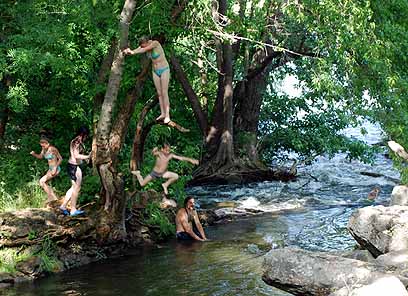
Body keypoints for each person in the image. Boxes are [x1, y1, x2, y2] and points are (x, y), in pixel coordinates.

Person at [123, 36, 171, 124]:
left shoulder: (155, 43)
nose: (143, 47)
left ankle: (167, 116)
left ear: (147, 42)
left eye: (143, 46)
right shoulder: (143, 46)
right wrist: (129, 51)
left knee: (164, 92)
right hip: (155, 71)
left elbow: (143, 50)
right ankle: (163, 113)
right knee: (159, 93)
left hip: (164, 69)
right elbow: (139, 49)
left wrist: (133, 52)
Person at [131, 143, 199, 206]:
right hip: (154, 173)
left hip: (163, 173)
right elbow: (153, 153)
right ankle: (138, 174)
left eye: (169, 150)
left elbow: (181, 158)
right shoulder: (159, 153)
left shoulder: (170, 155)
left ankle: (165, 185)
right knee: (142, 184)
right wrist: (154, 150)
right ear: (162, 149)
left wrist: (191, 160)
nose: (168, 152)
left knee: (176, 176)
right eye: (166, 150)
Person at [60, 127, 90, 216]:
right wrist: (88, 156)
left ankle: (63, 206)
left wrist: (85, 159)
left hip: (72, 166)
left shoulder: (76, 141)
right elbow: (76, 155)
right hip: (74, 167)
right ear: (83, 134)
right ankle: (73, 210)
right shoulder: (76, 141)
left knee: (73, 188)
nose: (86, 138)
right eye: (86, 136)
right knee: (76, 188)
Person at [30, 135, 62, 204]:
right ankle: (53, 197)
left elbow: (60, 159)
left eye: (43, 146)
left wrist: (55, 168)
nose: (42, 147)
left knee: (41, 181)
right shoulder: (44, 149)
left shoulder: (53, 149)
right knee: (45, 183)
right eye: (41, 146)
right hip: (50, 169)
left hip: (55, 169)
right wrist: (34, 154)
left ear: (47, 143)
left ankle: (52, 197)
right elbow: (40, 156)